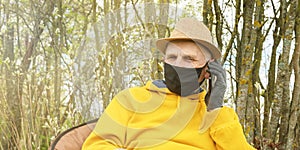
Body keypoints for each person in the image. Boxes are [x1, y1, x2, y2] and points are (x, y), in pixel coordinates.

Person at [82, 18, 256, 150]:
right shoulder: (130, 99)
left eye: (189, 59)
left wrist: (215, 109)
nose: (179, 65)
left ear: (208, 69)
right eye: (173, 57)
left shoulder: (219, 115)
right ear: (164, 61)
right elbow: (97, 146)